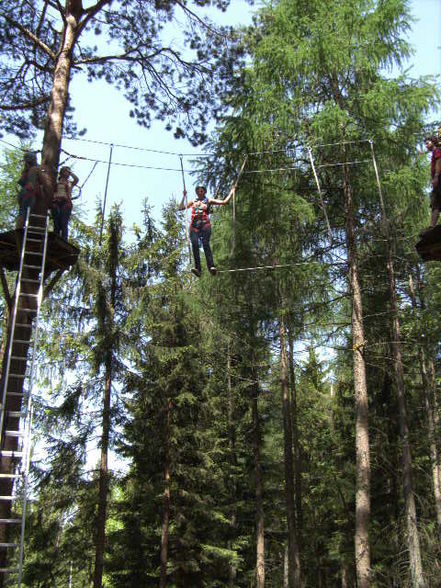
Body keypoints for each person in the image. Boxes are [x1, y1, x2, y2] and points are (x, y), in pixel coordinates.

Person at [179, 185, 235, 277]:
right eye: (198, 191)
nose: (199, 193)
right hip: (194, 226)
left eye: (201, 191)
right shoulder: (193, 202)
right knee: (195, 245)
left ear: (204, 192)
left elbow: (225, 202)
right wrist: (184, 196)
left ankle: (211, 267)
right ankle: (198, 269)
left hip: (205, 225)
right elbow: (181, 208)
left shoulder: (209, 201)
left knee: (205, 244)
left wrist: (232, 192)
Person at [52, 166, 79, 240]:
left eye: (67, 172)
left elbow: (76, 179)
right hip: (56, 203)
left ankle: (64, 239)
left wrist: (70, 173)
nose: (66, 173)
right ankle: (55, 238)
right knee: (56, 223)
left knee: (64, 222)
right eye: (65, 171)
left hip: (66, 204)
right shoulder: (56, 183)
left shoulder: (70, 183)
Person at [16, 152, 41, 229]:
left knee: (21, 212)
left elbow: (21, 182)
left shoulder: (25, 170)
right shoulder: (34, 169)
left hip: (22, 192)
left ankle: (18, 227)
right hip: (29, 193)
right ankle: (20, 229)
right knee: (26, 212)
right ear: (33, 160)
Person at [424, 135, 441, 231]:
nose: (426, 145)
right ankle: (432, 226)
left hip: (439, 179)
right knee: (436, 203)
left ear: (433, 142)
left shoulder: (437, 151)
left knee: (436, 202)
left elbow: (439, 161)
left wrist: (436, 176)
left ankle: (432, 226)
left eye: (427, 143)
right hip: (437, 181)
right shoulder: (435, 152)